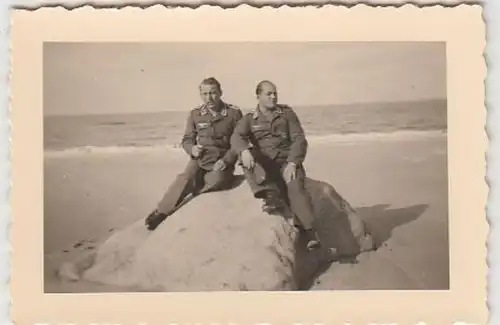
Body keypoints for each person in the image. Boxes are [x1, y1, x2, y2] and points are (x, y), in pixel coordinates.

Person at [230, 80, 321, 251]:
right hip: (266, 164)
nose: (273, 97)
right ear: (258, 96)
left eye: (275, 93)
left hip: (287, 161)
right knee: (245, 158)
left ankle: (310, 232)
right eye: (269, 94)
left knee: (295, 190)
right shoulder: (250, 118)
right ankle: (269, 194)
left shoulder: (286, 113)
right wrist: (243, 150)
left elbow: (299, 139)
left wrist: (294, 162)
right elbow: (236, 137)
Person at [145, 77, 243, 230]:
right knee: (184, 178)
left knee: (218, 180)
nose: (209, 98)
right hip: (200, 159)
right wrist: (192, 149)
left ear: (220, 93)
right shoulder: (195, 114)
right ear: (200, 95)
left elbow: (238, 141)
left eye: (213, 93)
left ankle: (198, 188)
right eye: (204, 94)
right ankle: (161, 212)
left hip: (221, 160)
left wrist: (227, 160)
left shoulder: (233, 113)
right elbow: (187, 140)